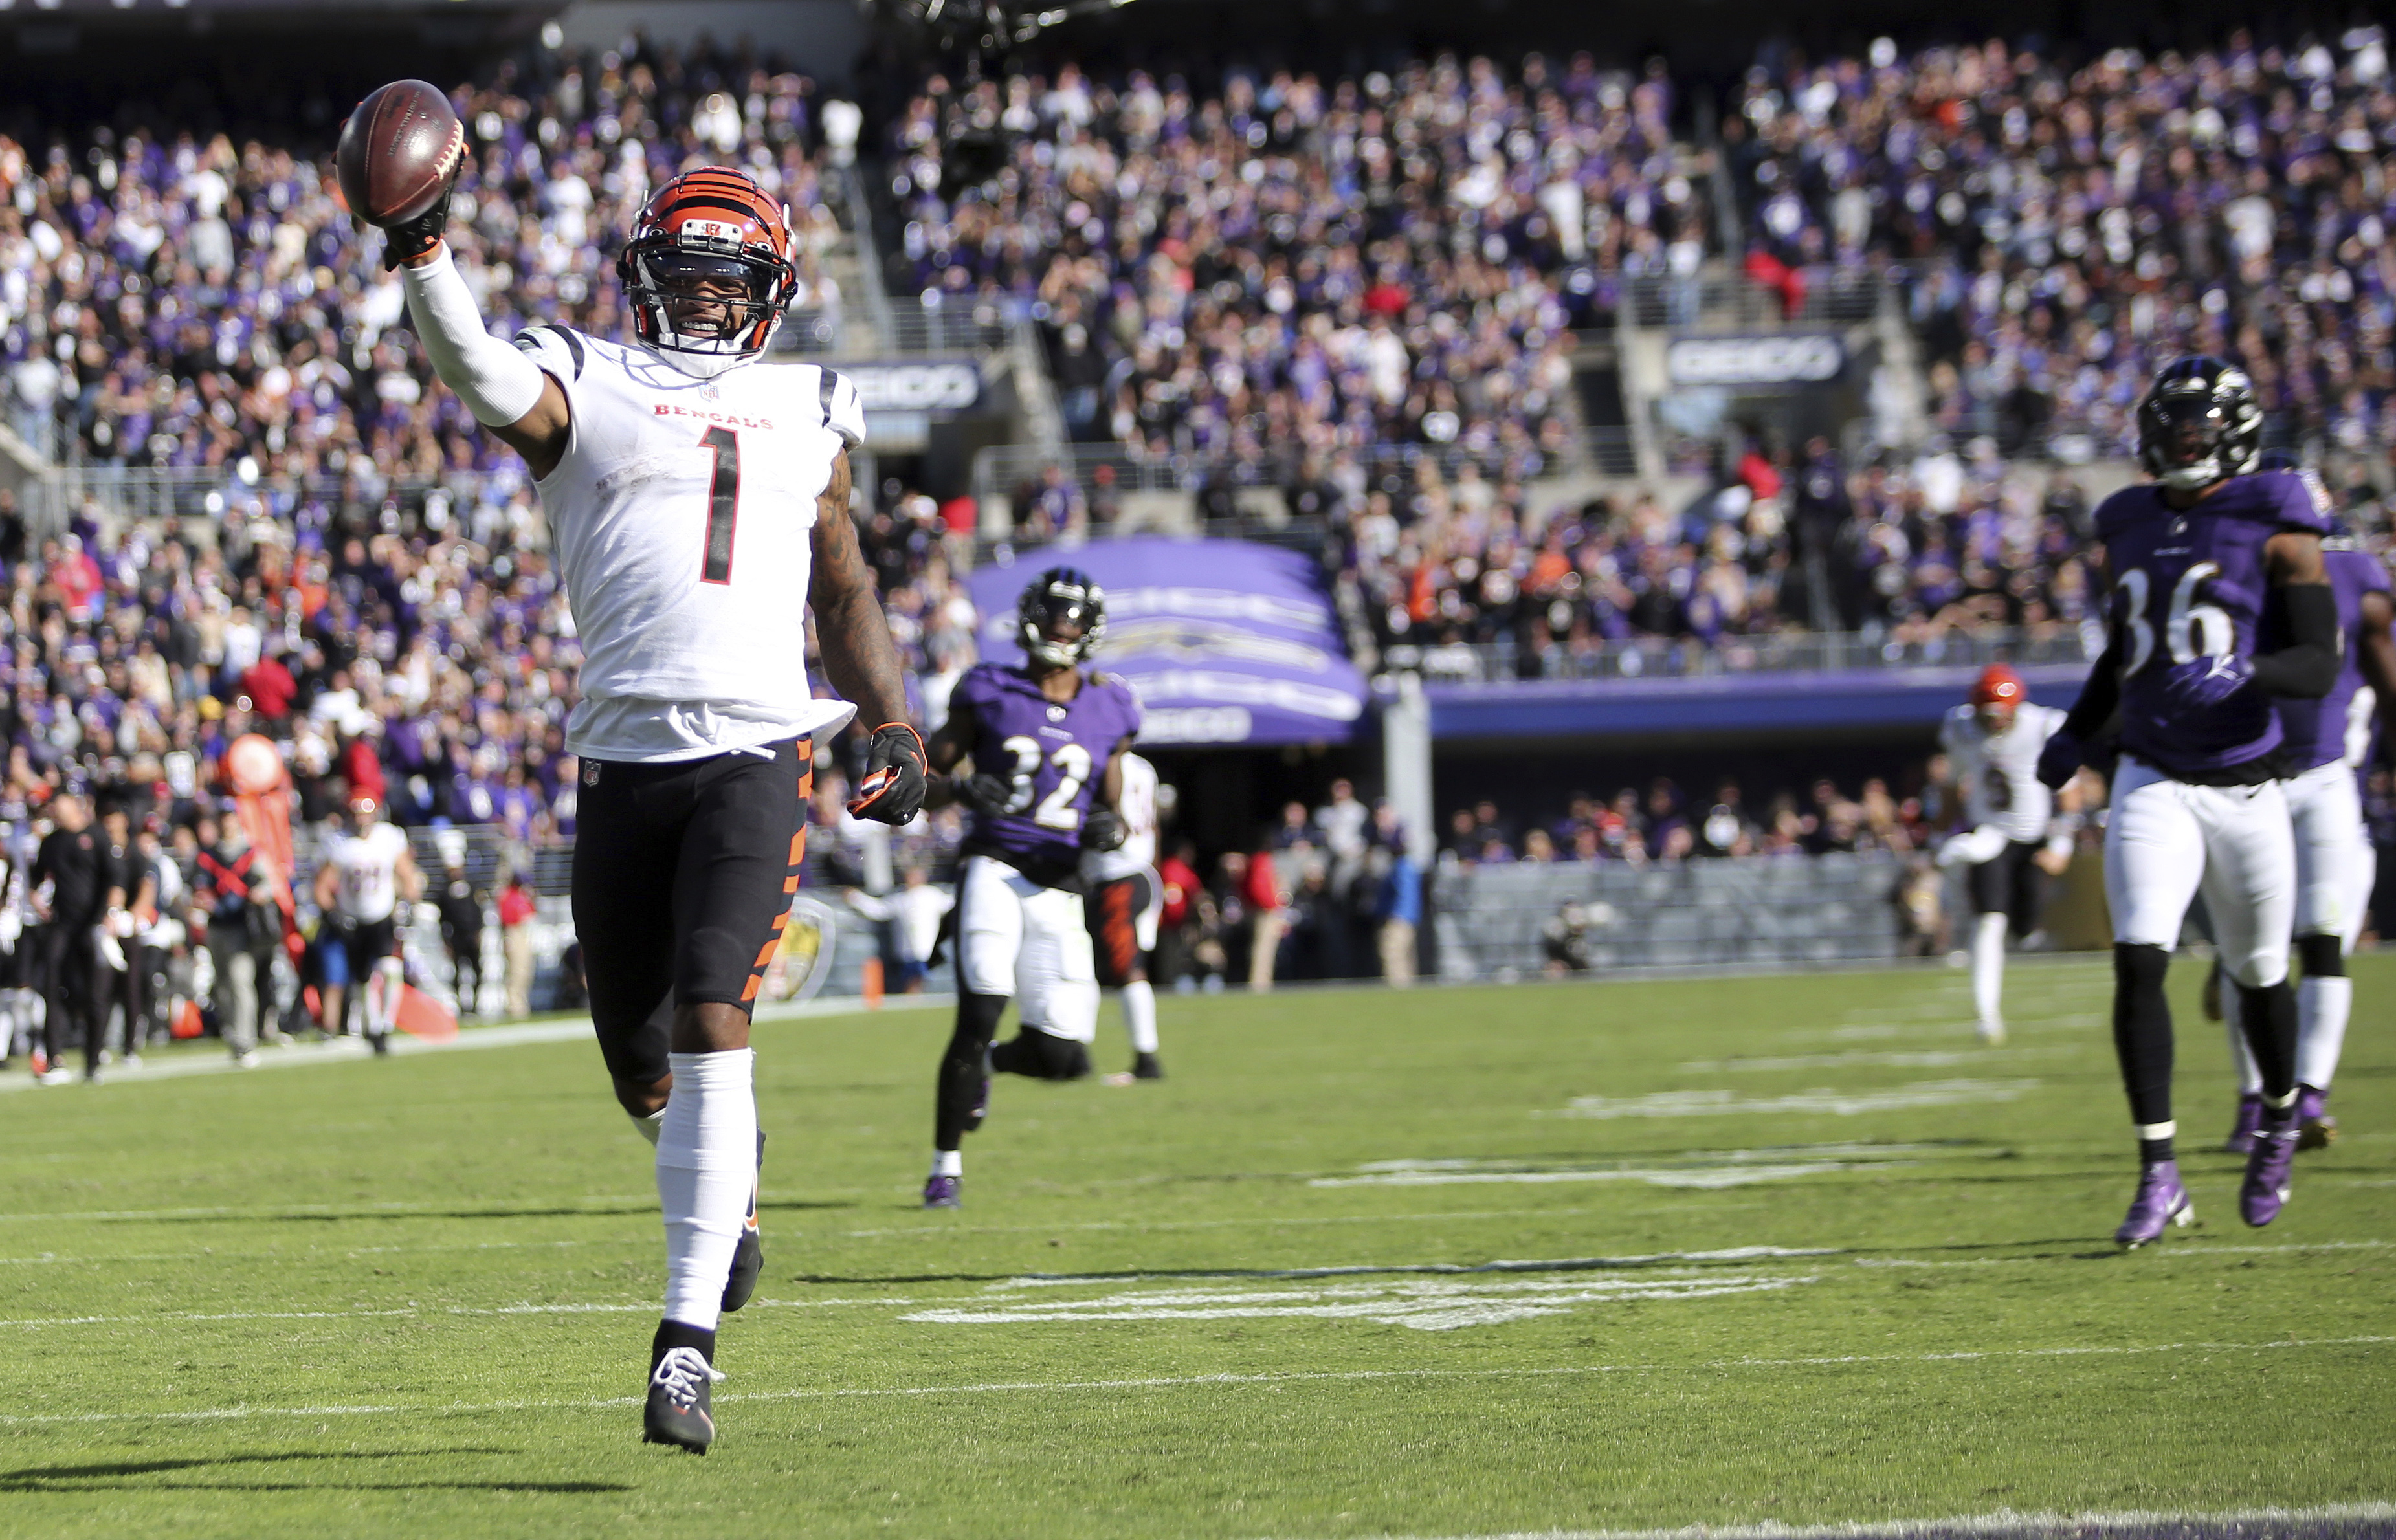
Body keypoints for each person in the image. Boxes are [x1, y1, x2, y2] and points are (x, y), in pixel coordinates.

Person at [374, 154, 925, 1451]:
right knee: (638, 1059)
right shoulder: (592, 381)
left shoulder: (811, 407)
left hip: (754, 756)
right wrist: (421, 246)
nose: (699, 305)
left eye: (722, 283)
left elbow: (841, 589)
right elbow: (471, 364)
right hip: (622, 765)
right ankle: (730, 1194)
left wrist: (893, 720)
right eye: (680, 278)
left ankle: (685, 1350)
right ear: (640, 281)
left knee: (713, 1009)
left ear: (766, 294)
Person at [2036, 357, 2343, 1248]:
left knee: (2257, 975)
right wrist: (2080, 732)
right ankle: (2157, 1170)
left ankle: (2279, 1117)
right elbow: (2126, 651)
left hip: (2248, 781)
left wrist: (2251, 670)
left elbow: (2317, 660)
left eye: (2197, 429)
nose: (2183, 443)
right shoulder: (2126, 520)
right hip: (2153, 775)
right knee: (2138, 959)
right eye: (2172, 428)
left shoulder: (2276, 514)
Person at [920, 567, 1139, 1208]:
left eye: (1071, 620)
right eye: (1050, 617)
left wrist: (1108, 827)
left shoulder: (1112, 704)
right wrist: (959, 788)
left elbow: (1116, 814)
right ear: (1027, 621)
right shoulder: (989, 689)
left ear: (1090, 631)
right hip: (994, 866)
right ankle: (945, 1167)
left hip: (1061, 886)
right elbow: (922, 780)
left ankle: (986, 1068)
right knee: (980, 1008)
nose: (1058, 630)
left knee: (1061, 1054)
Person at [2219, 492, 2396, 1151]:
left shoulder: (2356, 578)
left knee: (2324, 936)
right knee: (2250, 954)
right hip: (2242, 778)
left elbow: (2383, 669)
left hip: (2325, 777)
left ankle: (2308, 1094)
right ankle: (2252, 1098)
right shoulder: (2225, 568)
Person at [1934, 664, 2076, 1043]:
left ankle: (2027, 930)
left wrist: (2062, 844)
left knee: (2024, 929)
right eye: (1987, 715)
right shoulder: (1961, 728)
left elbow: (2069, 790)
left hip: (2033, 839)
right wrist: (1939, 834)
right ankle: (1987, 1016)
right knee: (1989, 923)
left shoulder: (2044, 725)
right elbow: (1951, 784)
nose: (1994, 722)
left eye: (2000, 713)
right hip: (1990, 835)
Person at [312, 793, 423, 1054]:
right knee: (363, 980)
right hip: (354, 920)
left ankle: (384, 1025)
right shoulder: (340, 843)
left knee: (390, 970)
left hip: (383, 916)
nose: (362, 819)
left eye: (366, 813)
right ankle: (373, 1027)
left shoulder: (388, 838)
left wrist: (409, 902)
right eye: (358, 813)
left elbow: (407, 875)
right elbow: (321, 887)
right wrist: (334, 914)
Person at [1085, 749, 1164, 1082]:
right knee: (1092, 966)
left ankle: (1147, 1059)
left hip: (1117, 874)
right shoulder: (1145, 767)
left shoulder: (1101, 762)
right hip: (1140, 871)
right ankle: (1077, 1052)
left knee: (1126, 967)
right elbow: (1154, 825)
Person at [31, 790, 105, 1083]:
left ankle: (93, 1061)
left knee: (94, 993)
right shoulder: (52, 842)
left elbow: (113, 878)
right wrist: (35, 898)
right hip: (62, 922)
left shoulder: (96, 837)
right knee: (50, 982)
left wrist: (103, 917)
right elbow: (37, 876)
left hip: (91, 923)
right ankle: (54, 1057)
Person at [194, 814, 281, 1064]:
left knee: (240, 981)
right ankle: (232, 1035)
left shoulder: (251, 853)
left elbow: (269, 883)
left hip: (243, 926)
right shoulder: (208, 855)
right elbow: (198, 885)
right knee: (222, 984)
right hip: (217, 925)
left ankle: (245, 1040)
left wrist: (258, 893)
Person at [432, 837, 488, 1018]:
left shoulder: (471, 887)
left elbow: (478, 911)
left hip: (472, 935)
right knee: (457, 972)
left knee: (477, 971)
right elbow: (443, 919)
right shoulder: (444, 892)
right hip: (456, 936)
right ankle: (460, 1004)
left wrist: (479, 931)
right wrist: (446, 941)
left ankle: (475, 1003)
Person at [498, 873, 537, 1019]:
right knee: (516, 972)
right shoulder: (509, 896)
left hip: (524, 934)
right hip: (514, 933)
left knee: (525, 971)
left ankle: (522, 1003)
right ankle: (514, 1006)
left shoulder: (522, 896)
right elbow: (509, 918)